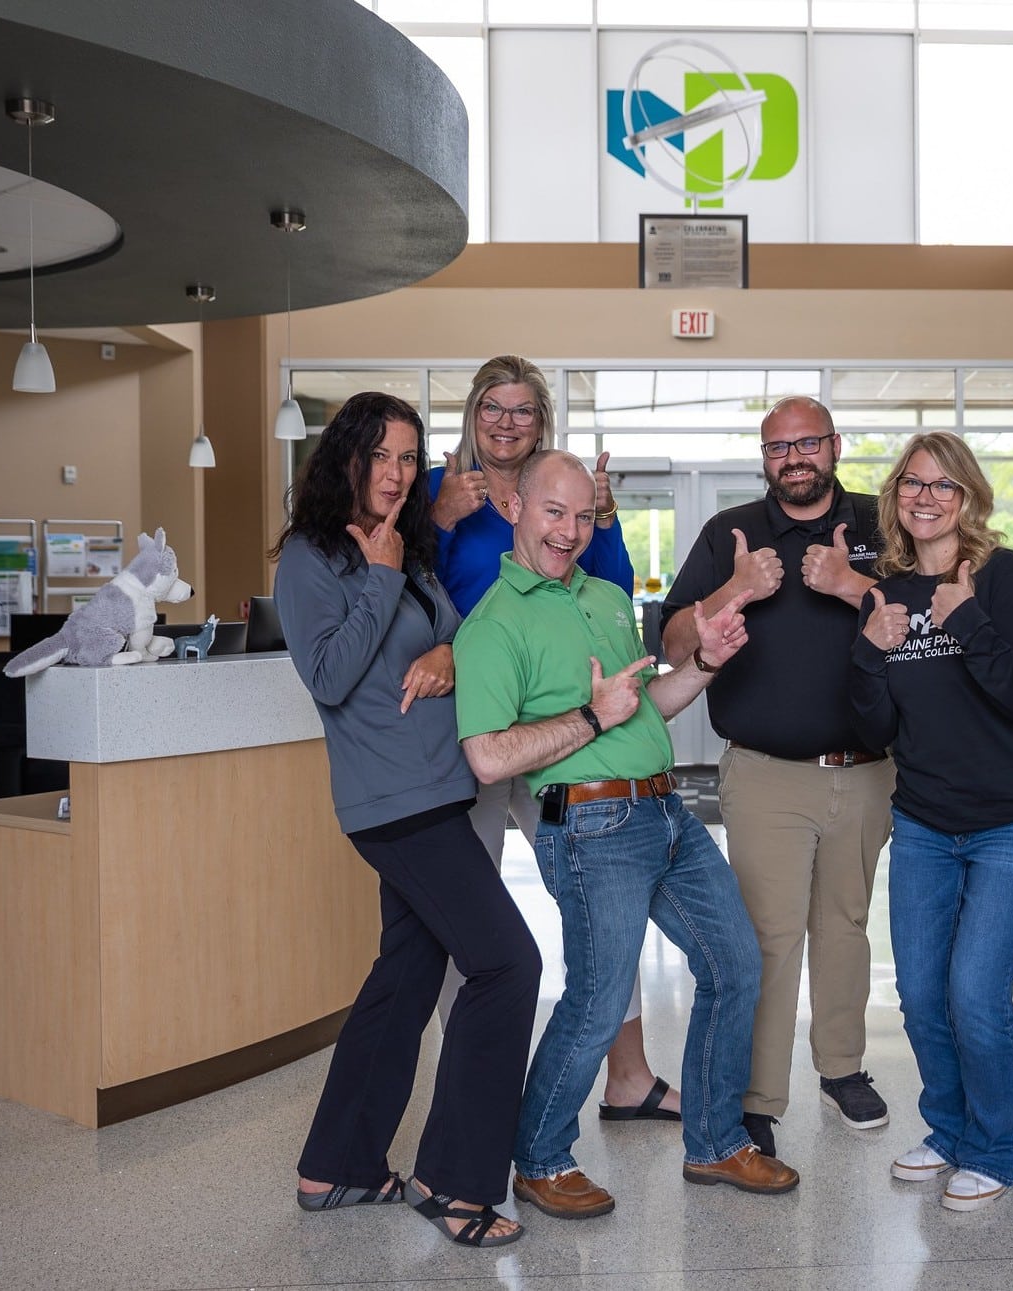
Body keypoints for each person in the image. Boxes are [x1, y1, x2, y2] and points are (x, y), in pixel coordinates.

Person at [454, 449, 799, 1218]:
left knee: (737, 962)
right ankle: (540, 1157)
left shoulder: (607, 596)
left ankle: (714, 1143)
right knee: (599, 1000)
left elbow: (650, 704)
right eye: (553, 511)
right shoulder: (494, 623)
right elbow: (485, 756)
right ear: (515, 507)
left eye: (583, 516)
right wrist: (588, 716)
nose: (568, 531)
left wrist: (705, 661)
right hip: (587, 823)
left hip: (665, 809)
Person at [274, 392, 542, 1248]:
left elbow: (459, 644)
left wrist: (444, 651)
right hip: (393, 804)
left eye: (406, 458)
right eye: (380, 456)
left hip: (439, 789)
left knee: (405, 977)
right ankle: (453, 1179)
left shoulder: (410, 548)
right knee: (507, 962)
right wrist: (383, 577)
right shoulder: (314, 558)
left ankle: (337, 1165)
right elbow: (327, 676)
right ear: (344, 459)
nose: (394, 473)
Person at [428, 355, 674, 1122]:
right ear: (473, 415)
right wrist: (437, 520)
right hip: (469, 724)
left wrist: (599, 517)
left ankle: (627, 1076)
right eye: (492, 408)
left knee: (601, 896)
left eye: (523, 409)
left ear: (543, 420)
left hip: (567, 729)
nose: (506, 422)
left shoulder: (567, 494)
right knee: (464, 905)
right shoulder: (440, 497)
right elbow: (409, 588)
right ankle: (467, 1085)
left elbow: (612, 587)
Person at [660, 395, 894, 1159]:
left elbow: (925, 616)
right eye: (776, 448)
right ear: (764, 459)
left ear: (834, 444)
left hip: (864, 771)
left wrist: (850, 585)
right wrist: (734, 590)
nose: (793, 458)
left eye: (806, 443)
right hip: (764, 772)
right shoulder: (731, 533)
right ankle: (758, 1095)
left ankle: (843, 1067)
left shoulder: (880, 522)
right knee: (767, 937)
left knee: (846, 928)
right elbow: (667, 641)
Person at [847, 431, 1013, 1211]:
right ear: (896, 496)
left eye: (943, 486)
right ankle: (948, 1127)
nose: (926, 498)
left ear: (969, 496)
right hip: (924, 821)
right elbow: (873, 727)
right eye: (912, 484)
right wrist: (870, 652)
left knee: (975, 993)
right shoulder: (888, 591)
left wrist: (967, 615)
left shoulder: (1004, 575)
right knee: (918, 991)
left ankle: (1001, 1145)